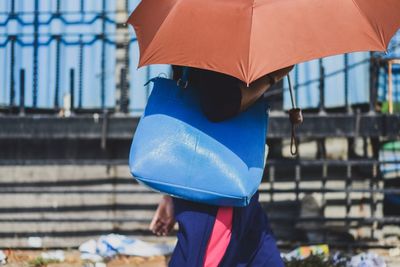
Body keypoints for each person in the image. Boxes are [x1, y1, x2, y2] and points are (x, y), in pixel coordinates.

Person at [150, 65, 293, 267]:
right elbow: (219, 106)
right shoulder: (215, 43)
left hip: (230, 185)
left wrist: (171, 195)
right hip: (217, 190)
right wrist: (272, 76)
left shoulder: (203, 44)